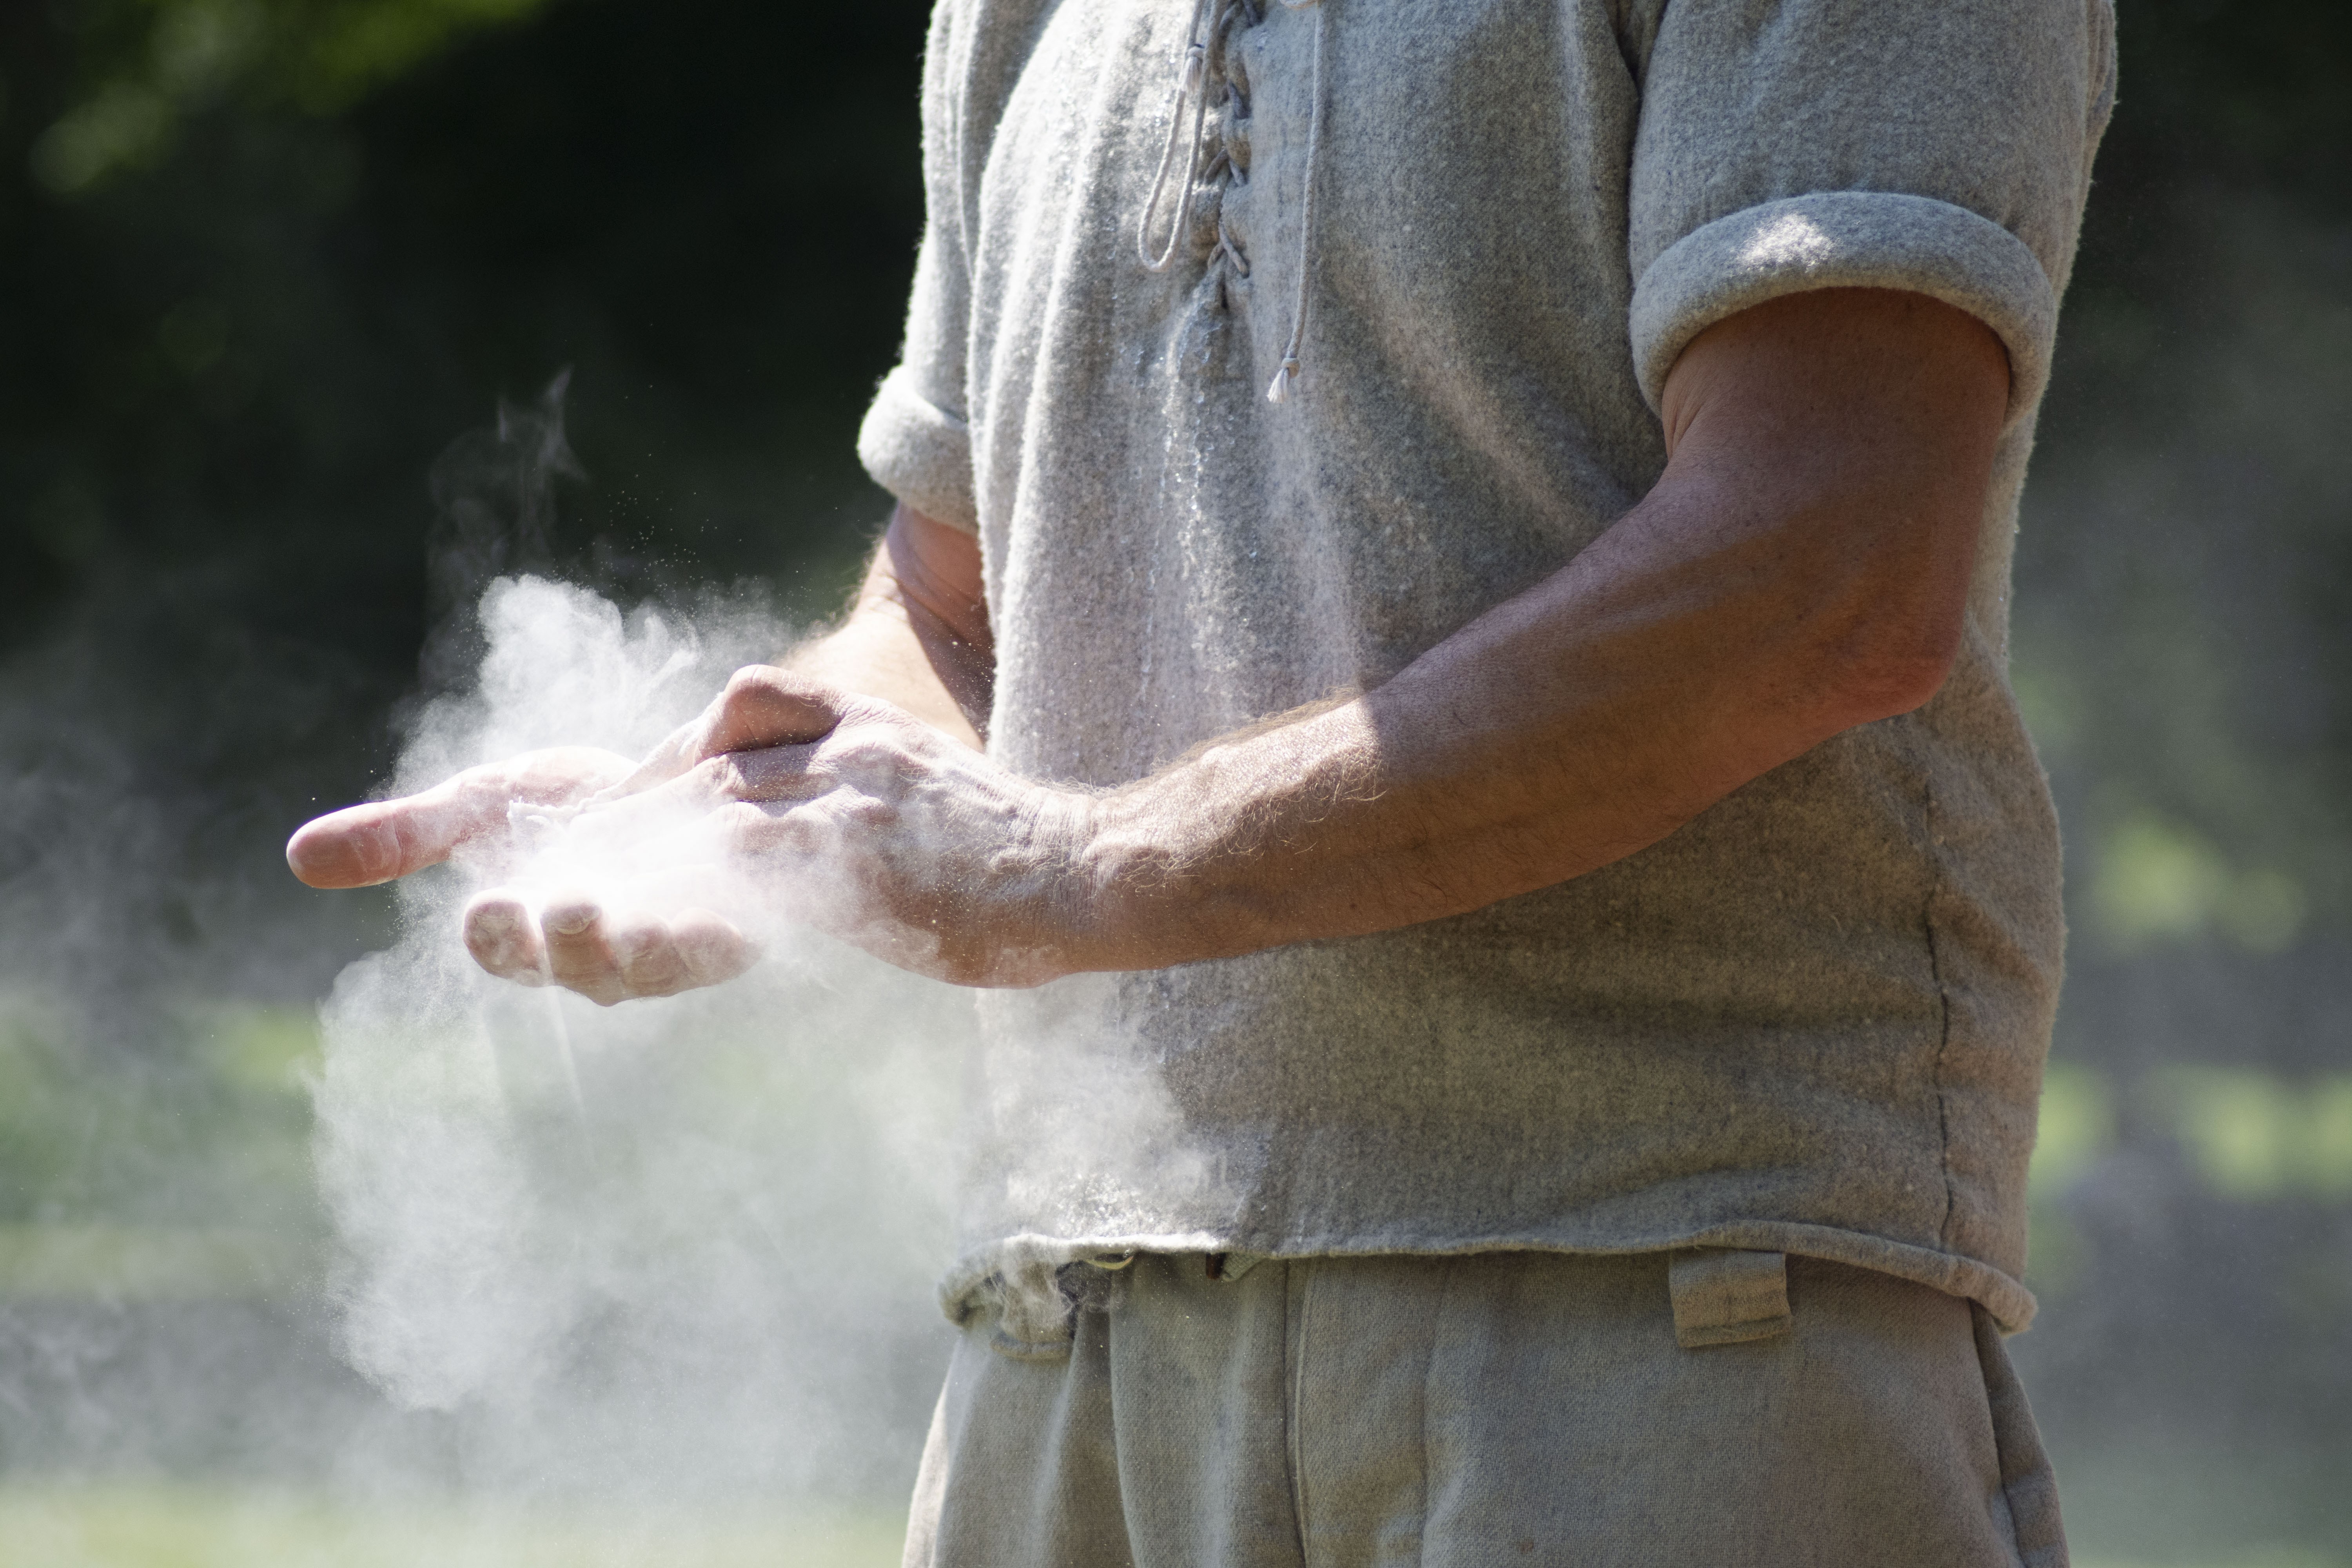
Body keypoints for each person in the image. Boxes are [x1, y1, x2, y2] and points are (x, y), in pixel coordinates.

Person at [292, 0, 2117, 1560]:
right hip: (1071, 1338)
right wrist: (762, 800)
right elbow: (956, 612)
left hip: (1661, 1313)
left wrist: (1080, 872)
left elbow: (1827, 570)